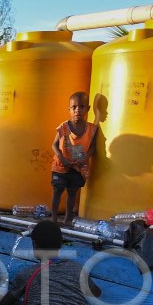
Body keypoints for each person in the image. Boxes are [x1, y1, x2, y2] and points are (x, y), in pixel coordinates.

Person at [50, 92, 97, 225]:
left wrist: (86, 158)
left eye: (81, 107)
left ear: (87, 109)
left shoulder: (91, 129)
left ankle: (67, 219)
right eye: (74, 107)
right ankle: (53, 218)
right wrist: (62, 158)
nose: (78, 110)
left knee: (72, 193)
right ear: (69, 109)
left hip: (78, 168)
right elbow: (54, 145)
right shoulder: (63, 127)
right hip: (60, 166)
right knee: (57, 191)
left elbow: (93, 147)